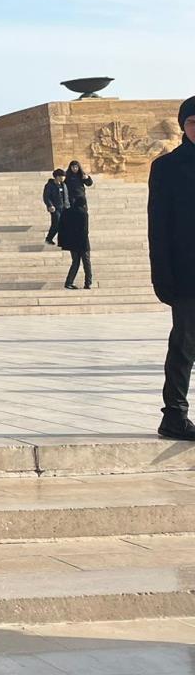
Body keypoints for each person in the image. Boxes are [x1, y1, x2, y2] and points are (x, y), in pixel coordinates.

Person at [151, 96, 195, 441]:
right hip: (187, 275)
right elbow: (158, 226)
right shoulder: (166, 167)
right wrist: (163, 278)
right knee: (184, 346)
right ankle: (174, 416)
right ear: (183, 125)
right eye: (193, 121)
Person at [60, 160, 94, 290]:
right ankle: (86, 283)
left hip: (78, 239)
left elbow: (89, 183)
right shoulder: (67, 178)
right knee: (84, 260)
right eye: (73, 166)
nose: (74, 168)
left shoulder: (82, 176)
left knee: (80, 261)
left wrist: (86, 177)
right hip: (81, 240)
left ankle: (78, 282)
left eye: (76, 166)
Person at [43, 168, 67, 246]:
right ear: (57, 176)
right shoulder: (49, 185)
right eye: (62, 176)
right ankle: (49, 238)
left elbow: (65, 196)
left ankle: (55, 239)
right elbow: (46, 197)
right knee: (56, 223)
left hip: (63, 207)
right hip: (54, 208)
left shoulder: (63, 185)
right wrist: (50, 205)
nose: (64, 178)